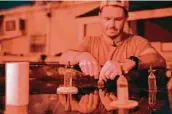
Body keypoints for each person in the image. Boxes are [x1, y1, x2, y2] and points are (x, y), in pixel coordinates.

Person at [59, 1, 166, 83]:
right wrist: (82, 56)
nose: (111, 25)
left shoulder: (137, 42)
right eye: (107, 19)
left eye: (118, 19)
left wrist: (129, 62)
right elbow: (64, 57)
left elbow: (158, 59)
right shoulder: (89, 41)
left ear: (126, 18)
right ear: (99, 17)